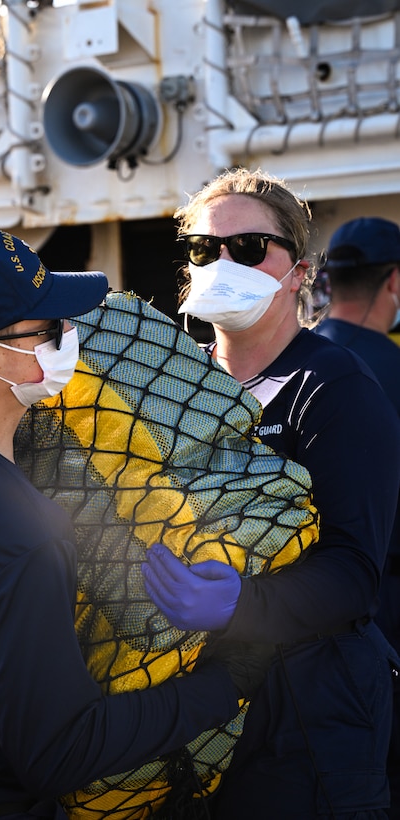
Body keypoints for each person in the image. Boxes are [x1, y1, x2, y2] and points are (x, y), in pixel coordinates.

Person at [0, 227, 266, 820]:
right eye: (48, 330)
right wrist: (229, 680)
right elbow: (60, 750)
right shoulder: (15, 528)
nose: (69, 337)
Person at [141, 169, 400, 818]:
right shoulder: (174, 386)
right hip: (190, 708)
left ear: (299, 273)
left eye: (250, 248)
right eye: (204, 250)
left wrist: (239, 604)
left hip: (309, 716)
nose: (223, 261)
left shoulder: (335, 389)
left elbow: (352, 574)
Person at [314, 216, 400, 819]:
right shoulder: (386, 369)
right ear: (393, 282)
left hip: (285, 613)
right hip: (383, 603)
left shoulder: (297, 364)